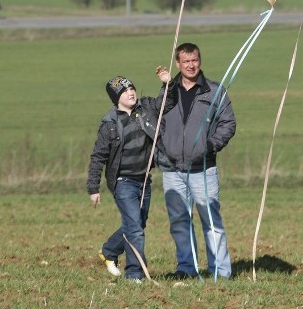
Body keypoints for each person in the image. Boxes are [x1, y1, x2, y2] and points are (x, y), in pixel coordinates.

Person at [86, 67, 176, 283]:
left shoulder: (146, 108)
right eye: (125, 91)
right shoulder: (109, 124)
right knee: (135, 228)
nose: (131, 93)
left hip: (144, 178)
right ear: (117, 98)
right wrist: (93, 188)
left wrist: (167, 84)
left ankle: (109, 250)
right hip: (122, 181)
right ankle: (134, 274)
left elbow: (167, 103)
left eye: (132, 88)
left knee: (137, 222)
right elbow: (98, 156)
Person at [158, 42, 237, 279]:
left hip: (203, 169)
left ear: (199, 61)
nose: (191, 65)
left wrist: (210, 146)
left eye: (194, 60)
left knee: (211, 222)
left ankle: (220, 272)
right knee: (180, 223)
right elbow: (157, 121)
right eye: (186, 61)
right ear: (178, 64)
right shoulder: (167, 91)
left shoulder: (214, 91)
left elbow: (228, 123)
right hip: (172, 170)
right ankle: (186, 268)